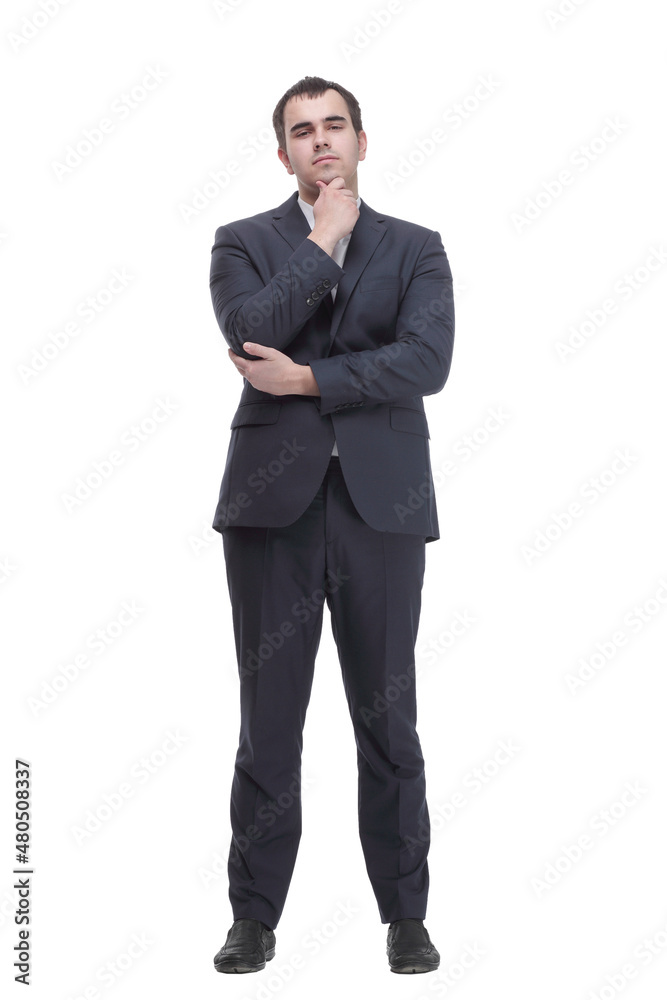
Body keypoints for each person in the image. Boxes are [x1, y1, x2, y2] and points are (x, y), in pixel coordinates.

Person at [209, 76, 454, 975]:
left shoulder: (418, 248)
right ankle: (254, 917)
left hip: (380, 508)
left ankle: (405, 915)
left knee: (387, 719)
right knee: (268, 721)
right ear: (283, 154)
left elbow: (428, 361)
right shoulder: (242, 242)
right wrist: (322, 240)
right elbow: (249, 335)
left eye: (334, 127)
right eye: (301, 132)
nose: (320, 142)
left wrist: (311, 380)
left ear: (360, 140)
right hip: (271, 511)